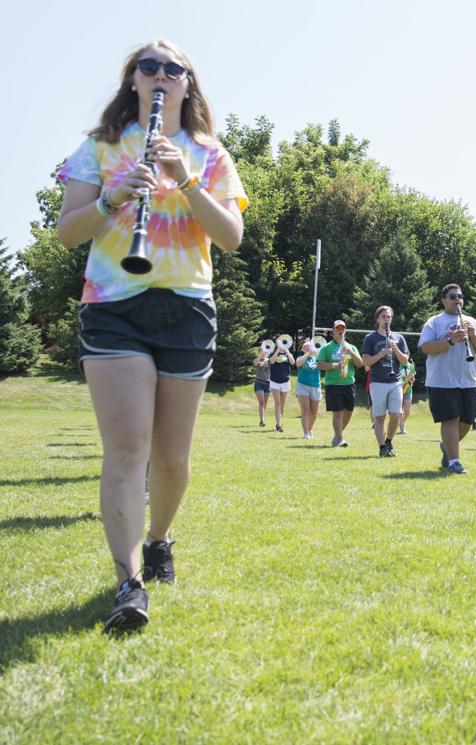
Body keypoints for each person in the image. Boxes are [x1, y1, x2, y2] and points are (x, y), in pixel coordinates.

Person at [57, 40, 247, 632]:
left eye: (174, 69)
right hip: (114, 306)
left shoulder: (209, 153)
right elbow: (67, 232)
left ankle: (160, 538)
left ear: (188, 85)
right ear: (133, 80)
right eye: (150, 67)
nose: (161, 75)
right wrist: (116, 196)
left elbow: (231, 237)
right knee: (128, 449)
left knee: (170, 456)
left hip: (186, 307)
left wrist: (186, 181)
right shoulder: (100, 147)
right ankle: (128, 582)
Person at [418, 284, 476, 474]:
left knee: (469, 418)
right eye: (453, 296)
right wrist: (450, 341)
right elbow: (425, 348)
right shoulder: (434, 322)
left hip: (468, 380)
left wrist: (472, 335)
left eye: (460, 296)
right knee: (450, 419)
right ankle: (454, 461)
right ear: (444, 300)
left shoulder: (471, 322)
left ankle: (448, 448)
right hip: (442, 380)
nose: (458, 299)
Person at [361, 306, 410, 458]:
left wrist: (396, 350)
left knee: (396, 414)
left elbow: (405, 361)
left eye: (388, 317)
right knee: (380, 416)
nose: (386, 320)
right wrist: (381, 354)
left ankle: (388, 442)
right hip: (378, 382)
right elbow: (365, 361)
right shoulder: (371, 338)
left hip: (395, 381)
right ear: (377, 319)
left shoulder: (399, 338)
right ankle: (382, 446)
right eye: (383, 317)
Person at [316, 320, 363, 447]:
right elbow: (319, 364)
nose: (340, 331)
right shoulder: (327, 347)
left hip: (348, 383)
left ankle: (337, 436)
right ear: (333, 331)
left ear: (345, 331)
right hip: (333, 384)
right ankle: (341, 438)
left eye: (342, 329)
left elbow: (360, 364)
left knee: (348, 412)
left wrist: (351, 352)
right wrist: (334, 365)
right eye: (337, 329)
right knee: (338, 412)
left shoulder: (351, 347)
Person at [294, 337, 322, 440]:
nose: (308, 348)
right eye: (306, 347)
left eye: (309, 346)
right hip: (302, 386)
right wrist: (307, 354)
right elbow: (298, 364)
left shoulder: (318, 358)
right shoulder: (301, 357)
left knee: (314, 413)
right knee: (305, 411)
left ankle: (309, 429)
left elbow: (324, 364)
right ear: (303, 349)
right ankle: (306, 433)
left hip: (316, 386)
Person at [267, 336, 295, 432]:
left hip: (285, 381)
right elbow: (271, 361)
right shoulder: (273, 353)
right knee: (277, 403)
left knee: (282, 404)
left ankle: (279, 422)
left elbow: (293, 362)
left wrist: (287, 351)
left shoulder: (288, 354)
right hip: (274, 381)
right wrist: (277, 350)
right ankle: (278, 425)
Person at [252, 346, 270, 427]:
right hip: (259, 383)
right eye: (262, 351)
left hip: (268, 384)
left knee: (264, 403)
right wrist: (260, 355)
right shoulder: (257, 359)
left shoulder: (269, 360)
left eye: (265, 351)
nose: (263, 353)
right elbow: (255, 363)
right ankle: (262, 420)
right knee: (262, 402)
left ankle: (262, 419)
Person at [399, 358, 416, 435]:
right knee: (400, 411)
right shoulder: (398, 365)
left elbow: (413, 378)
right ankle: (402, 427)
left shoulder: (411, 366)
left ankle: (401, 422)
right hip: (399, 390)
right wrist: (406, 380)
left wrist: (412, 379)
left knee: (407, 411)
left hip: (408, 390)